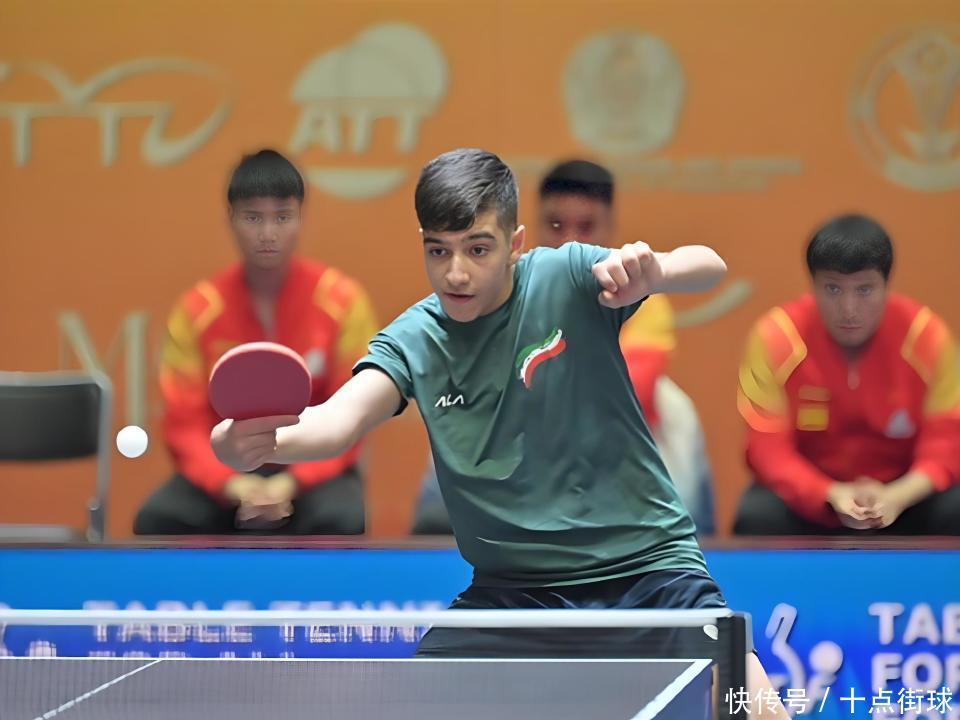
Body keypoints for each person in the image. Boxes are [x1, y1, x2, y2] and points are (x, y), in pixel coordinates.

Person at [211, 148, 786, 714]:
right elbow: (338, 421)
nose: (456, 272)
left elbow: (708, 264)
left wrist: (654, 272)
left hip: (646, 571)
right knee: (409, 706)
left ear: (515, 244)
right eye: (439, 251)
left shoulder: (565, 277)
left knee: (753, 705)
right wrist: (252, 442)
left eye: (478, 249)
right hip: (515, 593)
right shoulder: (416, 339)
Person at [412, 159, 715, 536]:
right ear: (529, 230)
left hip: (611, 441)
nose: (570, 240)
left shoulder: (642, 297)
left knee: (677, 410)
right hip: (510, 440)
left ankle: (681, 544)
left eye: (586, 227)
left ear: (609, 228)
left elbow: (629, 389)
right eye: (556, 225)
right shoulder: (490, 292)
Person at [134, 149, 377, 535]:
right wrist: (233, 485)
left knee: (342, 519)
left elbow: (352, 413)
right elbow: (184, 424)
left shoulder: (343, 302)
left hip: (311, 463)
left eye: (282, 217)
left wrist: (290, 484)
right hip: (226, 465)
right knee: (159, 519)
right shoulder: (196, 311)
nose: (268, 234)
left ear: (301, 218)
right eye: (253, 218)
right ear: (231, 219)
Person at [734, 214, 960, 535]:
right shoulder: (775, 337)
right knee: (756, 515)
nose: (849, 309)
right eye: (833, 289)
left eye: (865, 289)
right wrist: (829, 493)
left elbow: (947, 441)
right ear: (813, 285)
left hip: (902, 497)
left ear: (886, 286)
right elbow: (767, 448)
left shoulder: (927, 337)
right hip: (814, 498)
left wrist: (898, 496)